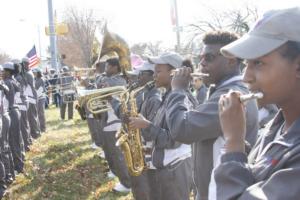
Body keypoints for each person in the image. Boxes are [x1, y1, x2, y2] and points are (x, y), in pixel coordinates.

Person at [213, 7, 300, 199]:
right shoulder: (277, 125)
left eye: (258, 63)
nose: (246, 77)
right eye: (246, 64)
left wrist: (234, 143)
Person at [163, 31, 259, 200]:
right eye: (201, 57)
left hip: (220, 193)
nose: (201, 63)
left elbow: (182, 129)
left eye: (209, 57)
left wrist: (177, 90)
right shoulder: (220, 91)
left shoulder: (231, 95)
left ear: (230, 61)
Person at [130, 52, 193, 200]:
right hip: (167, 168)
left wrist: (146, 125)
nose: (154, 75)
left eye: (158, 71)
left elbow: (173, 140)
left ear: (174, 73)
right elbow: (162, 132)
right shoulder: (168, 96)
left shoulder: (182, 99)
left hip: (176, 169)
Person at [112, 61, 162, 200]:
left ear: (151, 77)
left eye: (142, 74)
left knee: (145, 189)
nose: (138, 77)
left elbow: (151, 130)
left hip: (146, 154)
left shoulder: (155, 99)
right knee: (139, 188)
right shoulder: (147, 96)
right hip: (140, 148)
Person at [97, 57, 131, 193]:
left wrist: (102, 83)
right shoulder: (108, 79)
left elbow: (110, 92)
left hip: (115, 122)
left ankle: (127, 183)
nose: (105, 69)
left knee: (117, 154)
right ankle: (117, 173)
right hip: (106, 119)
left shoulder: (119, 80)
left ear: (115, 67)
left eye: (107, 67)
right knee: (109, 151)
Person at [2, 62, 25, 174]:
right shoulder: (14, 80)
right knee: (17, 139)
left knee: (12, 140)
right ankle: (20, 163)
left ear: (8, 71)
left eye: (4, 71)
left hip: (11, 112)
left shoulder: (7, 82)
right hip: (17, 110)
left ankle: (18, 167)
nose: (2, 73)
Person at [22, 57, 41, 139]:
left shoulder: (28, 74)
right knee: (33, 116)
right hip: (32, 96)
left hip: (31, 97)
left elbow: (31, 87)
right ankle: (37, 132)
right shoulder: (27, 72)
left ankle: (35, 133)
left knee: (32, 116)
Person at [33, 68, 47, 132]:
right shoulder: (34, 79)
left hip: (41, 98)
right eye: (33, 72)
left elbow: (42, 89)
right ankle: (39, 128)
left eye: (35, 72)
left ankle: (43, 128)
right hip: (36, 98)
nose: (34, 73)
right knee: (37, 113)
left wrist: (36, 95)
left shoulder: (41, 79)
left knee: (41, 113)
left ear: (38, 73)